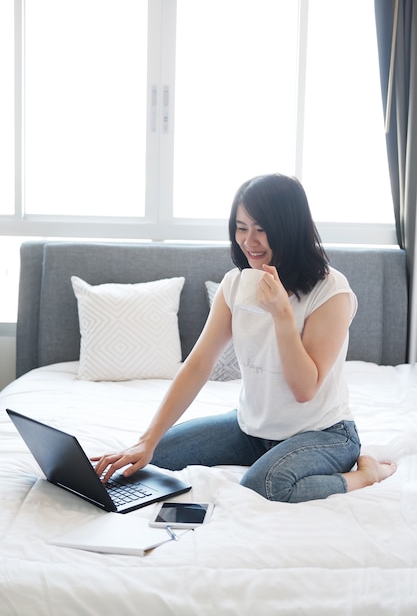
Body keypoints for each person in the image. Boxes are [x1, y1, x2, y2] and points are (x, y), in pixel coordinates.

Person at [92, 173, 396, 503]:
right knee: (155, 458)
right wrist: (147, 440)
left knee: (267, 485)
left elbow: (305, 389)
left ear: (289, 228)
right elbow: (198, 365)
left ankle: (367, 474)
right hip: (251, 429)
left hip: (323, 433)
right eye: (241, 227)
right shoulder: (235, 284)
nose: (249, 240)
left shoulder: (331, 292)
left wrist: (281, 315)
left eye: (262, 229)